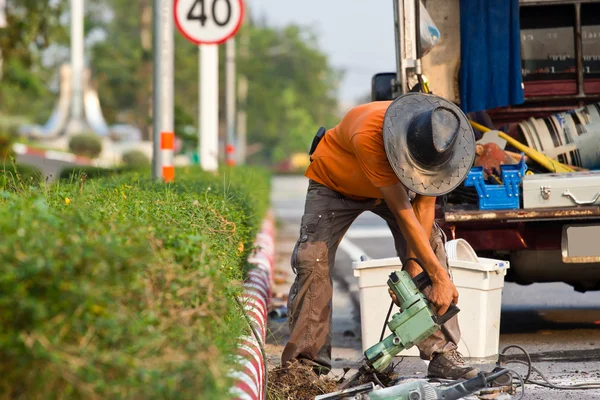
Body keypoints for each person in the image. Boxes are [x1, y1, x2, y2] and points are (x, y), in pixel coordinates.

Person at [281, 92, 479, 380]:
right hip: (335, 182)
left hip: (393, 187)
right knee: (313, 260)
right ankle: (304, 366)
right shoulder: (370, 134)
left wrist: (414, 270)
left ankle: (442, 355)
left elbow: (423, 207)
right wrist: (439, 278)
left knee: (431, 248)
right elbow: (403, 211)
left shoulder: (443, 145)